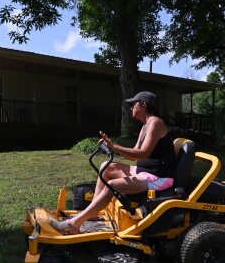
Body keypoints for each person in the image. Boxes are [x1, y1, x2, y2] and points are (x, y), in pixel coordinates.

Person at [51, 91, 176, 235]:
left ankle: (74, 224)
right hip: (145, 172)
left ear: (143, 104)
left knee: (113, 185)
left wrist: (114, 147)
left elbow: (144, 154)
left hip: (160, 178)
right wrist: (112, 146)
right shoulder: (145, 126)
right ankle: (92, 212)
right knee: (106, 167)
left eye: (132, 104)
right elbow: (135, 155)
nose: (130, 108)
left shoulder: (156, 122)